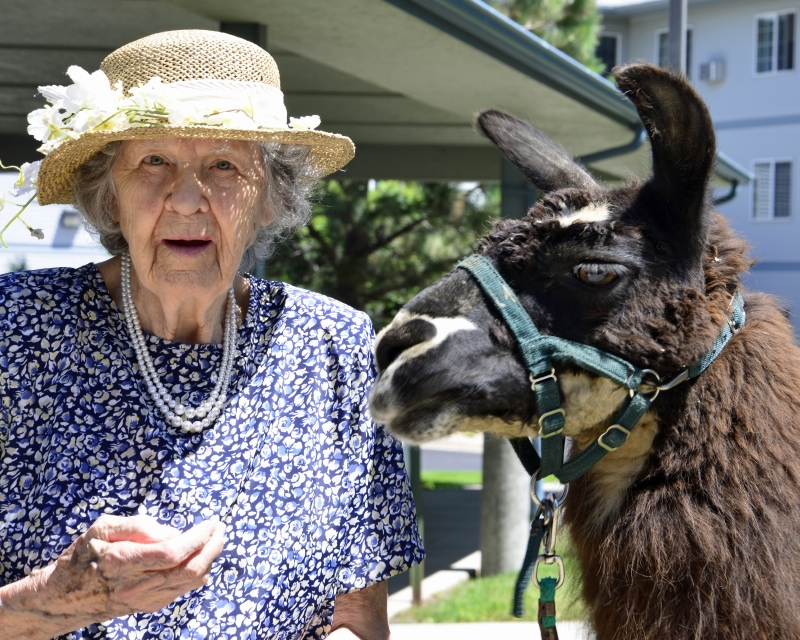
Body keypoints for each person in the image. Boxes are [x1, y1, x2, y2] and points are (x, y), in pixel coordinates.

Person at [0, 29, 423, 640]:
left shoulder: (334, 344)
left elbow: (357, 618)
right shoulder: (16, 329)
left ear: (269, 197)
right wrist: (56, 600)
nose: (186, 199)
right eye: (154, 162)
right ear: (110, 196)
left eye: (224, 165)